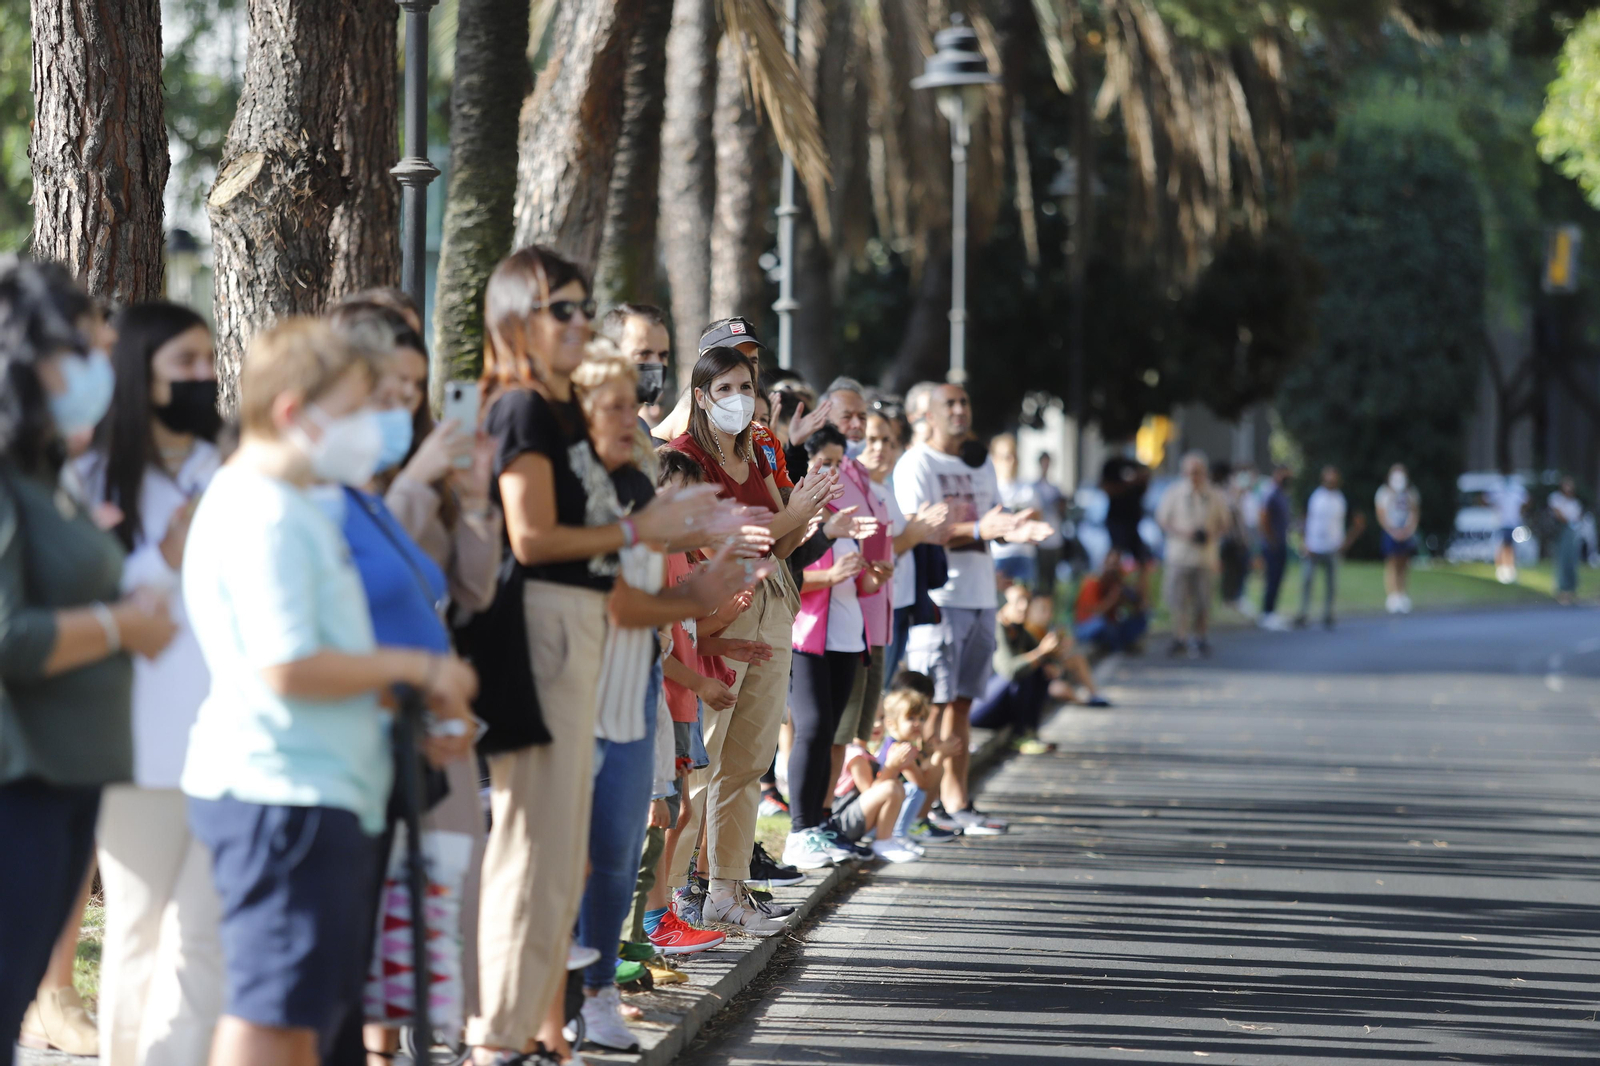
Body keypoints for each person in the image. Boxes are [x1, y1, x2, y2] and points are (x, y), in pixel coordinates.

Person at [179, 317, 479, 1066]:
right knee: (271, 1014)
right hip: (281, 794)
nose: (373, 427)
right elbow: (286, 667)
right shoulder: (264, 510)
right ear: (294, 413)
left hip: (319, 789)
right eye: (354, 409)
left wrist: (402, 716)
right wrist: (418, 672)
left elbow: (328, 657)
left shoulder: (296, 502)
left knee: (305, 1014)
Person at [467, 248, 736, 1065]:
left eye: (585, 309)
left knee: (557, 861)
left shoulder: (548, 414)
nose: (579, 323)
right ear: (516, 316)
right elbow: (535, 540)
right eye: (563, 310)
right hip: (546, 639)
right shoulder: (518, 410)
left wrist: (688, 572)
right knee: (528, 855)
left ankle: (540, 1031)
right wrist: (639, 534)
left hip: (582, 642)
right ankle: (498, 1035)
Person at [0, 259, 179, 1066]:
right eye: (88, 349)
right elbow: (10, 636)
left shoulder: (49, 472)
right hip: (19, 787)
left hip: (69, 783)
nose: (104, 369)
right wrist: (120, 625)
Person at [567, 351, 767, 1052]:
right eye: (611, 409)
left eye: (632, 407)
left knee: (624, 840)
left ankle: (597, 989)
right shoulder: (581, 497)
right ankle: (572, 988)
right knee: (587, 846)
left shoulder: (639, 502)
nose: (629, 421)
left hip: (637, 698)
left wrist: (701, 606)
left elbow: (654, 611)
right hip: (582, 696)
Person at [77, 301, 225, 1066]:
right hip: (137, 747)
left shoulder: (228, 468)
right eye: (186, 365)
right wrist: (164, 557)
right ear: (142, 376)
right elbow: (86, 602)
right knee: (137, 930)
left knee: (204, 941)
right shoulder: (95, 477)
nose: (204, 378)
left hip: (229, 744)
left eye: (208, 362)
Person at [664, 345, 837, 935]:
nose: (739, 399)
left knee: (750, 761)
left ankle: (727, 890)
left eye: (746, 385)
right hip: (717, 611)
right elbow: (730, 543)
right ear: (700, 397)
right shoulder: (684, 458)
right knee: (702, 763)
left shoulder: (762, 444)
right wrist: (793, 516)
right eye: (725, 388)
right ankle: (667, 908)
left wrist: (801, 515)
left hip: (771, 603)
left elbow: (780, 545)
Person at [894, 384, 1050, 835]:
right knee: (935, 706)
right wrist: (984, 526)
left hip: (982, 596)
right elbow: (919, 531)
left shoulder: (978, 462)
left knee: (960, 706)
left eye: (965, 402)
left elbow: (989, 523)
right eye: (951, 404)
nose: (961, 410)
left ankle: (958, 802)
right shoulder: (917, 463)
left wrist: (1012, 528)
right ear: (929, 414)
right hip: (942, 599)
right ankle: (922, 810)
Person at [785, 425, 885, 870]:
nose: (832, 470)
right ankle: (798, 831)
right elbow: (788, 578)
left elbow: (857, 581)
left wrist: (870, 576)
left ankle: (820, 823)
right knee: (813, 730)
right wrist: (832, 572)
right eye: (823, 461)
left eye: (838, 462)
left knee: (831, 735)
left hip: (847, 637)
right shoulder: (800, 514)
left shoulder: (843, 510)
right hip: (808, 638)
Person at [858, 411, 947, 688]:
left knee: (882, 690)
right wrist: (913, 534)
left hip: (899, 602)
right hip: (875, 604)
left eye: (888, 441)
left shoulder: (884, 487)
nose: (881, 448)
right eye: (872, 440)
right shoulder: (859, 489)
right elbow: (869, 555)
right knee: (872, 691)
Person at [1155, 451, 1229, 657]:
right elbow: (1163, 520)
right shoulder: (1174, 493)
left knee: (1203, 601)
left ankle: (1201, 637)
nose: (1194, 477)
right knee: (1179, 600)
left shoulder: (1214, 494)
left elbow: (1225, 523)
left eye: (1197, 472)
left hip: (1205, 557)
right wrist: (1185, 533)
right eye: (1190, 472)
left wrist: (1210, 534)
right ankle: (1180, 637)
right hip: (1180, 555)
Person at [830, 735, 919, 864]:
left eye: (881, 718)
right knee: (890, 787)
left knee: (897, 785)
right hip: (842, 822)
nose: (877, 724)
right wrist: (891, 766)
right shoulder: (856, 754)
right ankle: (883, 842)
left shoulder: (865, 752)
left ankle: (887, 839)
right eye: (873, 718)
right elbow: (871, 793)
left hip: (854, 819)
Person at [1296, 465, 1362, 629]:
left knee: (1331, 584)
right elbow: (1302, 519)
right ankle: (1303, 613)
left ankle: (1328, 614)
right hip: (1313, 546)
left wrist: (1346, 543)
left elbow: (1359, 522)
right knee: (1307, 580)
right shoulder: (1314, 495)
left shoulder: (1343, 497)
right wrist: (1303, 541)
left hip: (1333, 547)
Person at [599, 303, 670, 432]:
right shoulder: (585, 425)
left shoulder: (641, 430)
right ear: (611, 353)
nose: (657, 364)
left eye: (662, 355)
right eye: (643, 354)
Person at [1073, 550, 1149, 655]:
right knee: (1104, 624)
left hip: (1109, 625)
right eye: (1111, 565)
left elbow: (1140, 606)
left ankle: (1121, 645)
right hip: (1087, 627)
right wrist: (1112, 599)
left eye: (1117, 565)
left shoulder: (1118, 584)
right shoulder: (1093, 582)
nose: (1113, 569)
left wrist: (1137, 594)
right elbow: (1093, 613)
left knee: (1141, 619)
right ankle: (1116, 647)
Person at [989, 434, 1039, 589]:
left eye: (1014, 456)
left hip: (1024, 555)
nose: (1011, 461)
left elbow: (1038, 518)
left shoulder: (1027, 489)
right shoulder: (989, 489)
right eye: (1006, 456)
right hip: (997, 556)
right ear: (994, 459)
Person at [1101, 455, 1153, 598]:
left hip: (1133, 523)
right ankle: (1106, 594)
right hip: (1117, 521)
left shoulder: (1135, 464)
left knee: (1142, 560)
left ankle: (1140, 600)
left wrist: (1141, 480)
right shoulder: (1112, 465)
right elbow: (1106, 488)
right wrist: (1128, 485)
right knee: (1114, 559)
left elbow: (1145, 486)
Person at [1376, 462, 1420, 614]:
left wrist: (1408, 530)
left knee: (1404, 563)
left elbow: (1414, 512)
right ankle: (1392, 596)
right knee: (1392, 563)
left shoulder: (1410, 492)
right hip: (1391, 532)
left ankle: (1402, 595)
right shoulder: (1384, 492)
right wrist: (1393, 530)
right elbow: (1381, 514)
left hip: (1406, 531)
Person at [1257, 465, 1292, 631]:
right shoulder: (1270, 492)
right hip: (1272, 544)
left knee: (1278, 578)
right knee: (1271, 578)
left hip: (1281, 542)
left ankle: (1272, 611)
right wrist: (1270, 539)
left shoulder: (1282, 494)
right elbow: (1263, 517)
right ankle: (1267, 613)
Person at [1030, 452, 1067, 595]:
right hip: (1039, 540)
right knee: (1039, 579)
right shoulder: (1033, 488)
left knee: (1051, 580)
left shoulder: (1056, 489)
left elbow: (1062, 514)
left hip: (1054, 538)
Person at [1491, 470, 1528, 585]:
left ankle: (1511, 569)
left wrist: (1521, 512)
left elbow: (1526, 501)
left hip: (1514, 523)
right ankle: (1501, 569)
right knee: (1502, 545)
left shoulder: (1517, 489)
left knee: (1511, 546)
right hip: (1501, 523)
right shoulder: (1497, 489)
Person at [1550, 476, 1583, 606]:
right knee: (1562, 560)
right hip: (1562, 532)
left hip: (1573, 532)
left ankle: (1572, 590)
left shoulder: (1575, 502)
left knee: (1572, 561)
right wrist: (1569, 519)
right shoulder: (1556, 498)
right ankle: (1561, 591)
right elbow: (1559, 515)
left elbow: (1578, 517)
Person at [822, 376, 868, 457]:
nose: (857, 425)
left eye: (862, 418)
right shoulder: (813, 466)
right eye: (846, 417)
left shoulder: (863, 468)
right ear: (826, 420)